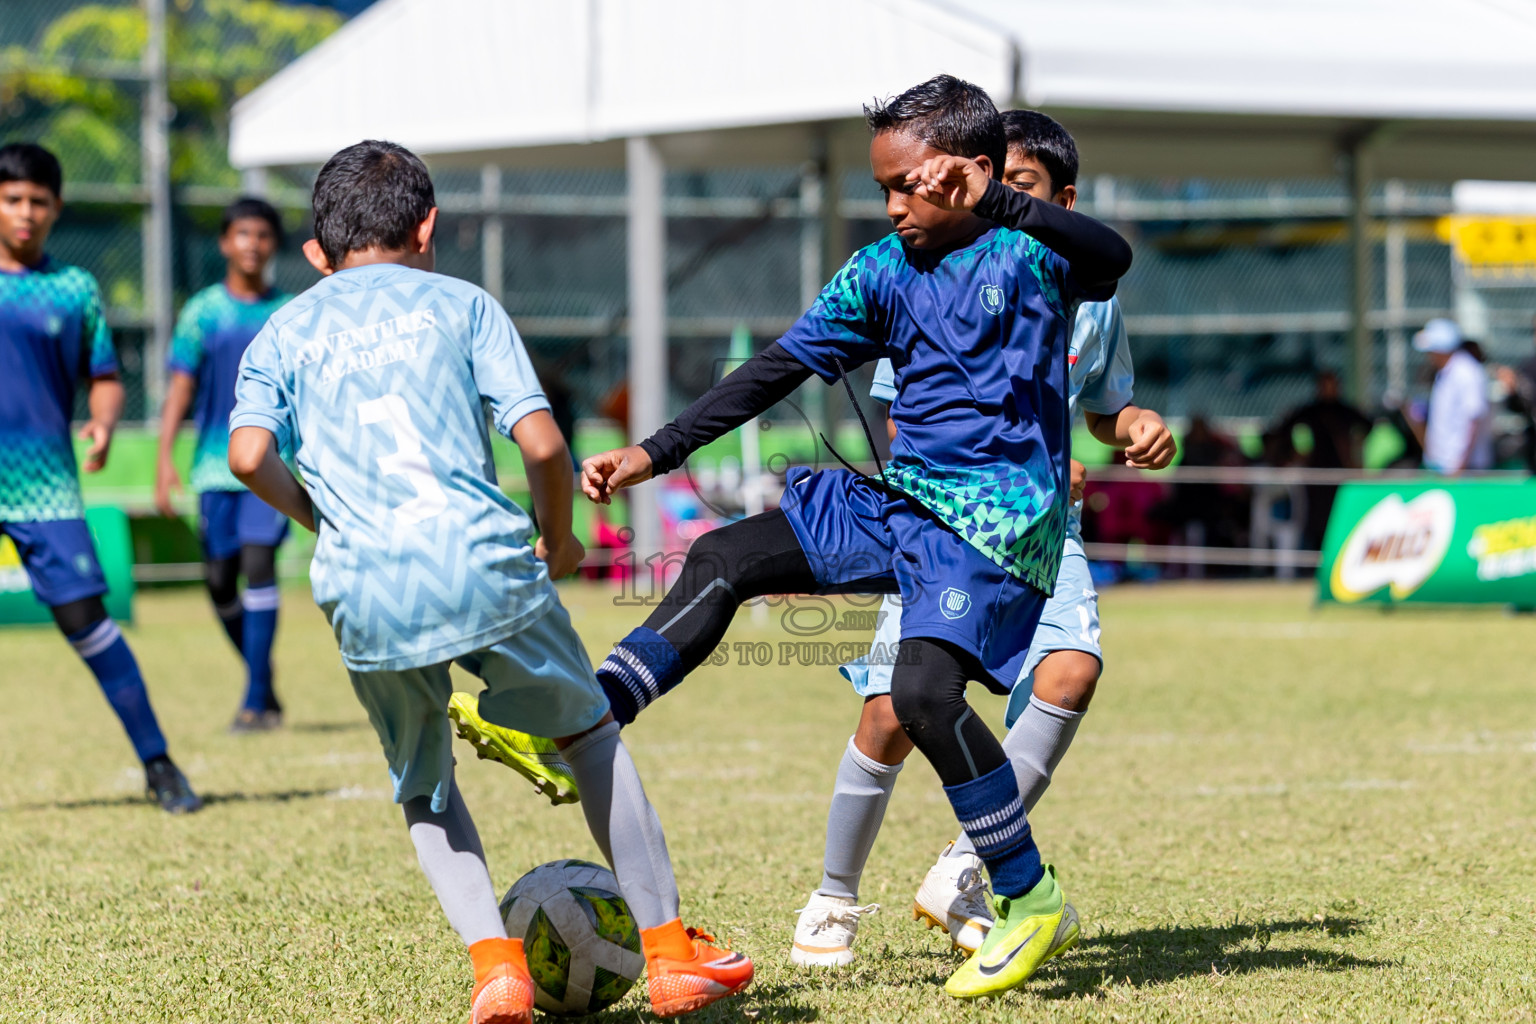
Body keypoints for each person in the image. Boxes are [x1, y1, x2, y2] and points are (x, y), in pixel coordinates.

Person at [575, 76, 1134, 1000]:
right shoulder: (880, 270)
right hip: (907, 504)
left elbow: (1110, 256)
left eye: (909, 185)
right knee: (727, 555)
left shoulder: (1029, 253)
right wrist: (653, 450)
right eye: (883, 188)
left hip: (997, 526)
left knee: (920, 692)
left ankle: (1030, 899)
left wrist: (1000, 203)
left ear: (970, 174)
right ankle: (592, 713)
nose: (894, 206)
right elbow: (772, 370)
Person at [226, 140, 752, 1023]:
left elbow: (247, 456)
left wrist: (322, 516)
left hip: (366, 586)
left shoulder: (281, 330)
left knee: (423, 785)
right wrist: (559, 539)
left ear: (318, 252)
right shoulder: (462, 304)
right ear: (428, 226)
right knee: (590, 736)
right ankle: (668, 953)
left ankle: (495, 969)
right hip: (481, 562)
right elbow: (543, 444)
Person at [789, 109, 1176, 968]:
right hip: (945, 523)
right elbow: (905, 418)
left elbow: (1105, 412)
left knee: (1073, 670)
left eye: (1015, 186)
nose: (986, 200)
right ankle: (833, 895)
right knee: (894, 710)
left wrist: (1136, 425)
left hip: (1044, 533)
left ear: (1060, 200)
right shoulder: (934, 273)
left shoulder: (1090, 299)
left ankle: (969, 865)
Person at [0, 142, 201, 814]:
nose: (25, 213)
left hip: (44, 486)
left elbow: (106, 380)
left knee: (90, 623)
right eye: (12, 199)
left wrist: (106, 422)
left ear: (56, 208)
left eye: (37, 201)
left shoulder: (75, 289)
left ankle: (159, 763)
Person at [155, 198, 293, 731]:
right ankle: (262, 674)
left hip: (270, 463)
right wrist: (164, 460)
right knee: (219, 580)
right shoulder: (203, 311)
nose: (252, 244)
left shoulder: (289, 313)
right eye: (242, 234)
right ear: (224, 243)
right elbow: (181, 387)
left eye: (262, 234)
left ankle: (255, 700)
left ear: (273, 244)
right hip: (215, 467)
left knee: (259, 565)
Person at [1275, 370, 1373, 549]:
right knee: (1317, 517)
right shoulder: (1311, 411)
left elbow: (1368, 427)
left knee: (1342, 514)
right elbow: (1284, 430)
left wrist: (1355, 450)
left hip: (1343, 471)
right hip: (1317, 472)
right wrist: (1297, 454)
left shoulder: (1346, 411)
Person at [1414, 318, 1493, 475]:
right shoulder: (1445, 372)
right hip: (1445, 465)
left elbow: (1473, 419)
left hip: (1464, 468)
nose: (1429, 356)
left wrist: (1460, 465)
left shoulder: (1467, 372)